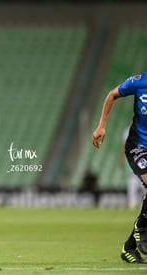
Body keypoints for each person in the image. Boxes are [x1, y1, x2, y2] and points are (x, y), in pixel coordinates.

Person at [92, 73, 147, 264]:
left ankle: (129, 248)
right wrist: (101, 126)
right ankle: (142, 229)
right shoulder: (140, 81)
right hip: (137, 146)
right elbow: (112, 94)